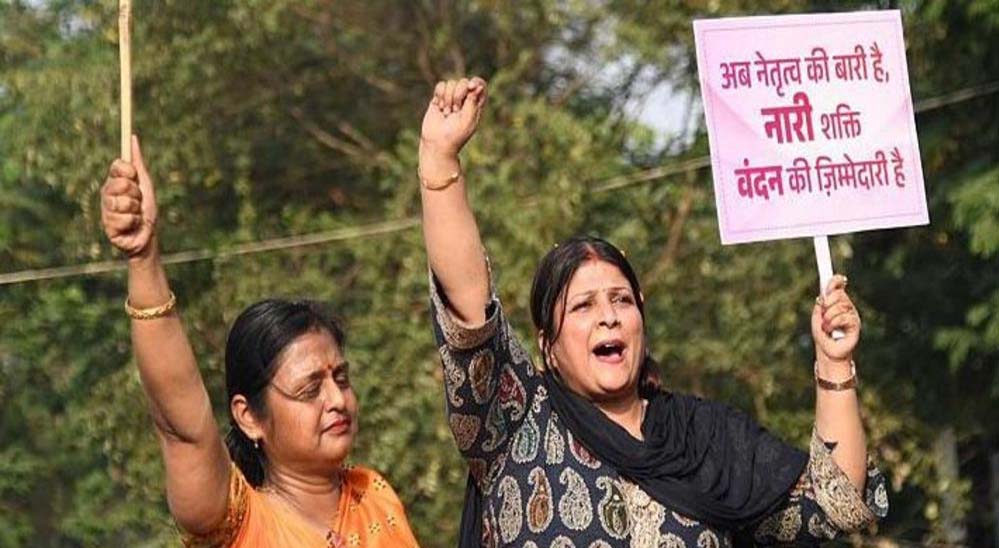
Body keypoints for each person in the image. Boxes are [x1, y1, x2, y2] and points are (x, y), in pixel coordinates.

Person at [417, 77, 889, 547]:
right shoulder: (516, 418)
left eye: (621, 300)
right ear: (548, 346)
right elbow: (470, 306)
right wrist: (439, 159)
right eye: (583, 305)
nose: (609, 316)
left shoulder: (703, 441)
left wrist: (834, 362)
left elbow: (835, 504)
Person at [100, 136, 420, 548]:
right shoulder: (238, 522)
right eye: (309, 390)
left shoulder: (374, 495)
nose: (337, 400)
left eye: (340, 379)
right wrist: (143, 258)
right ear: (249, 416)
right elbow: (183, 429)